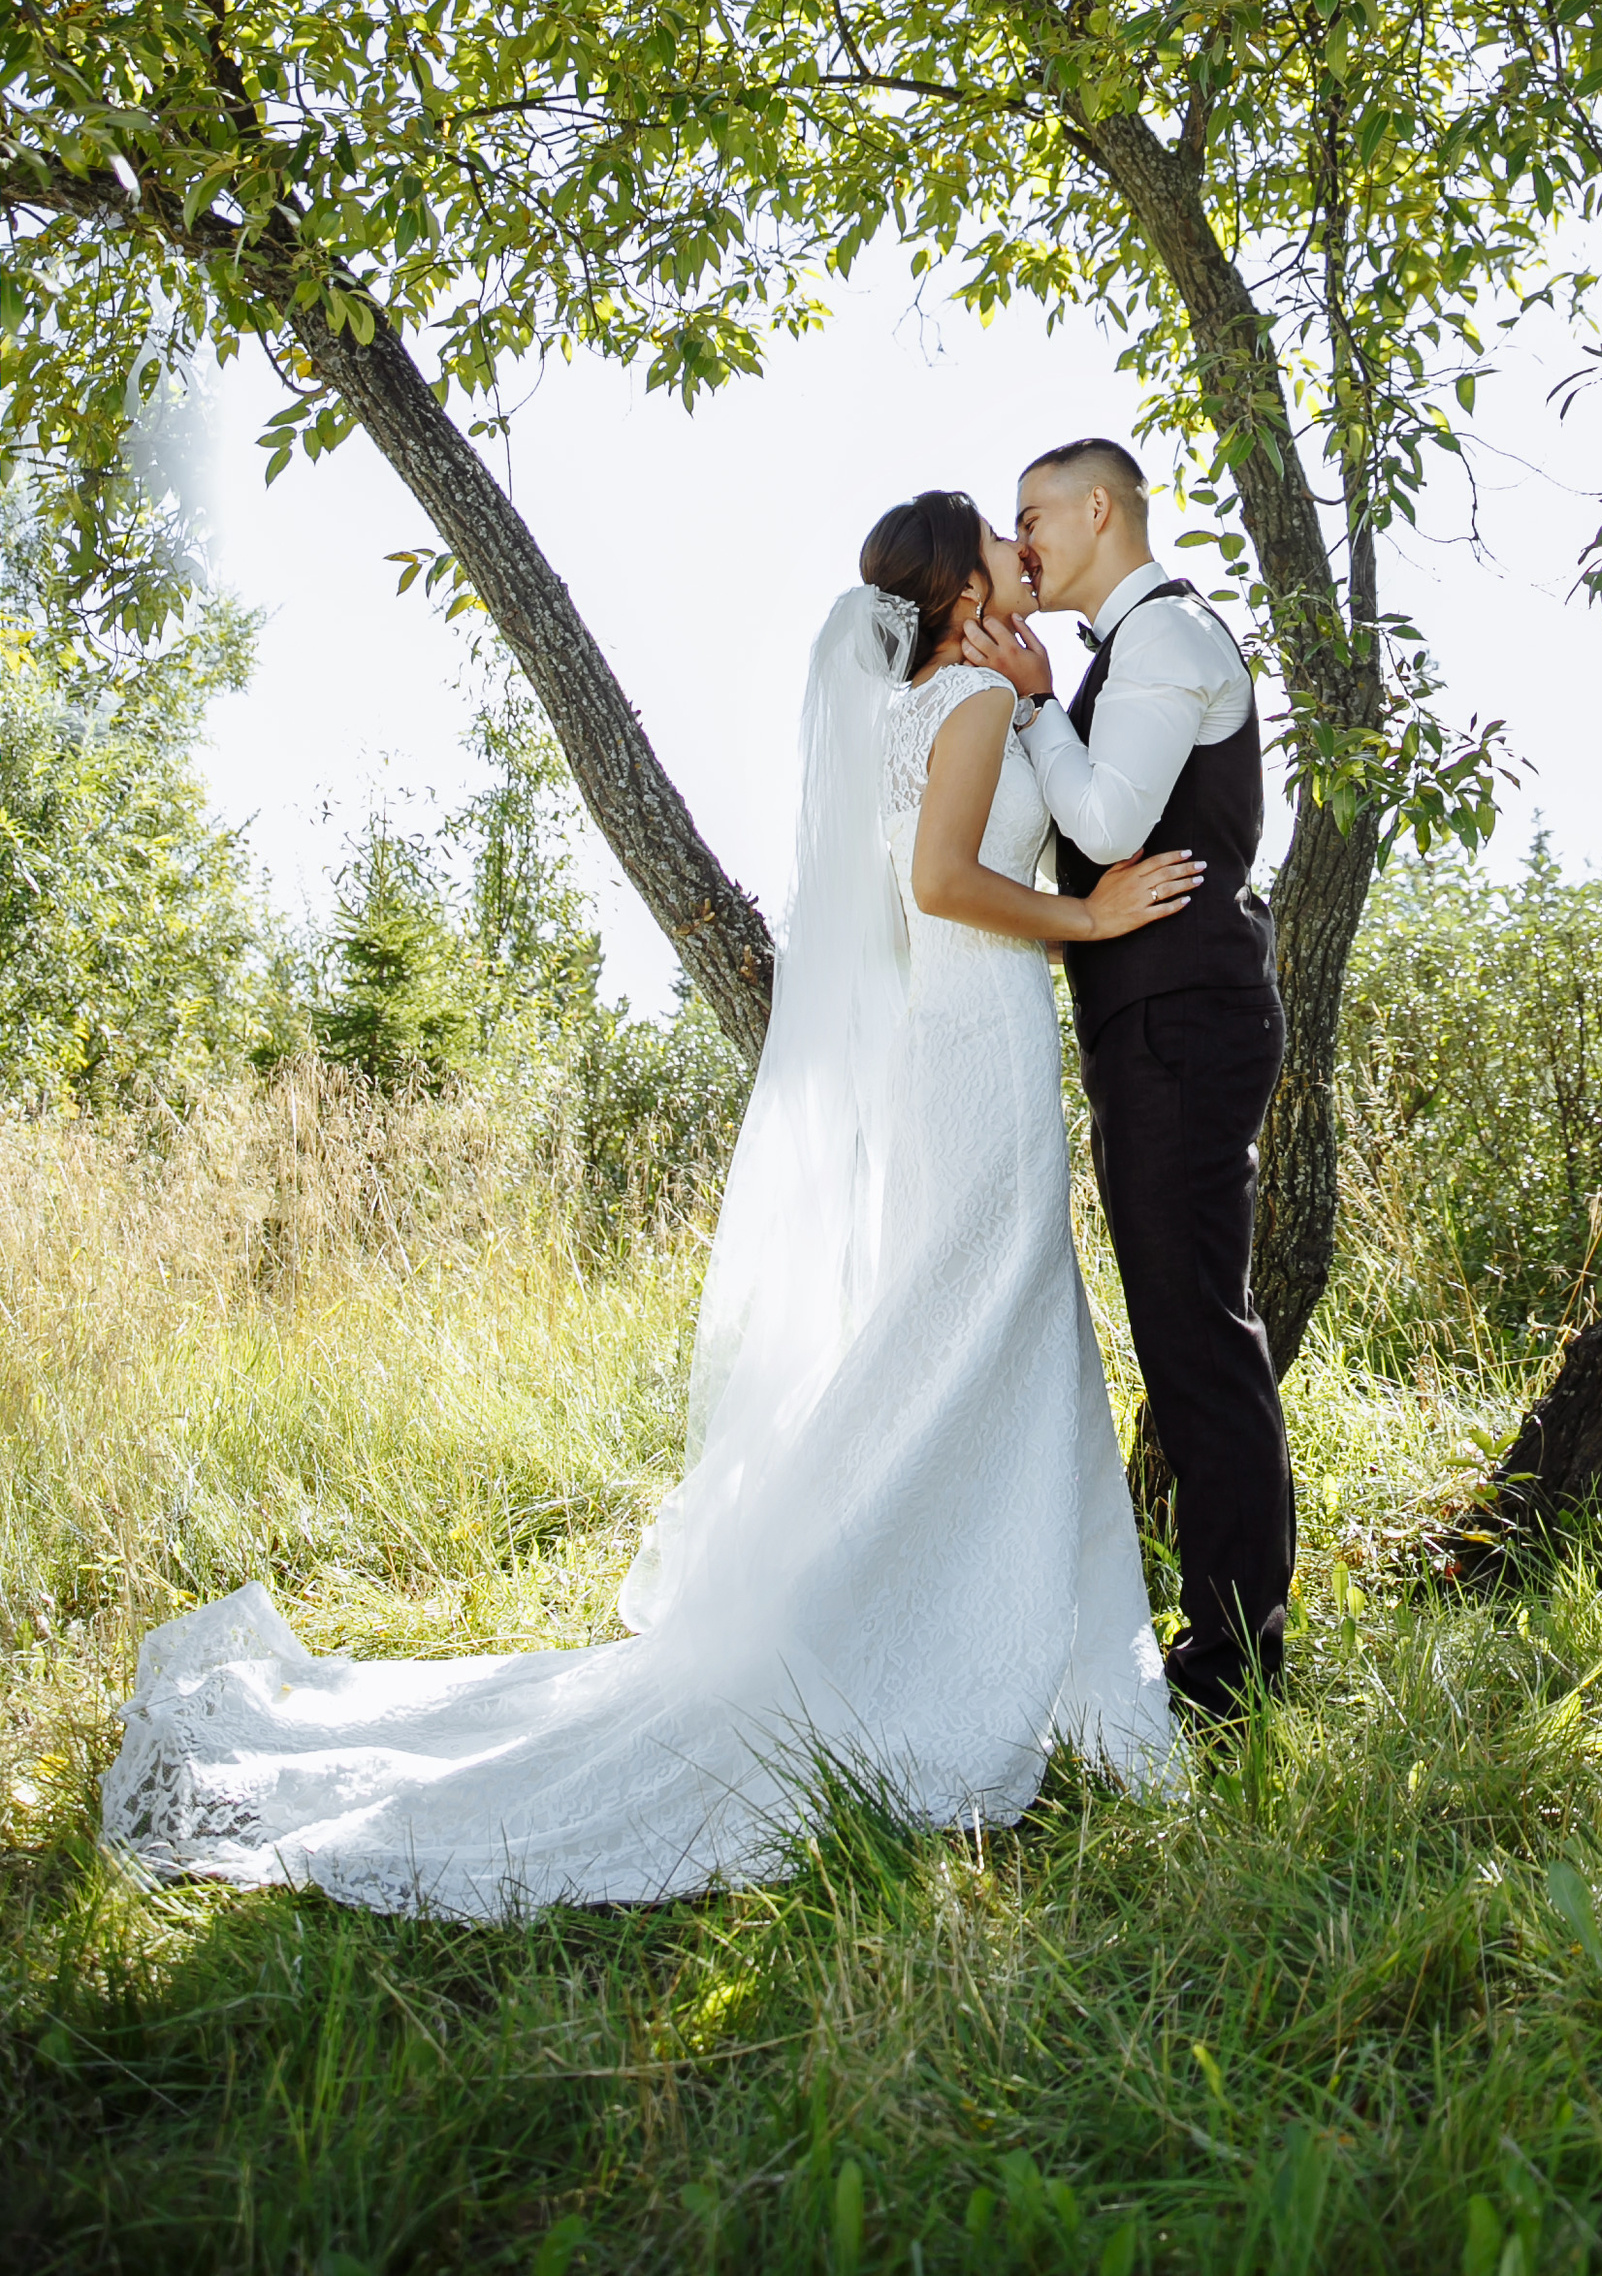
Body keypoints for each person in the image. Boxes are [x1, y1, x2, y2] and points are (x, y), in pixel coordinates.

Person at [101, 493, 1193, 1915]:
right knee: (989, 1323)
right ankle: (952, 1646)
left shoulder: (913, 710)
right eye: (994, 535)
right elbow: (942, 883)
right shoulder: (972, 702)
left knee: (964, 1328)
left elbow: (922, 882)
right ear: (958, 586)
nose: (1013, 546)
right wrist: (1091, 917)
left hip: (946, 1044)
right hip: (979, 1049)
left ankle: (967, 1625)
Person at [963, 435, 1295, 1722]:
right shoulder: (1133, 647)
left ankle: (1234, 1669)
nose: (1022, 541)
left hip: (1183, 1024)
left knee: (1198, 1333)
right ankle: (1226, 1639)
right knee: (1183, 1326)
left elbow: (1104, 825)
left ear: (1099, 509)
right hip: (1152, 1024)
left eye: (1034, 516)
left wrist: (1036, 705)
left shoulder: (1166, 639)